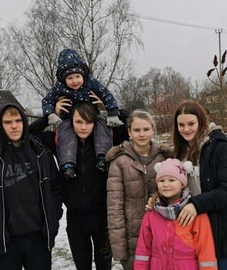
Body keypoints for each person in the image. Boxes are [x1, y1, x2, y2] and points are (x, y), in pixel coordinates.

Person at [0, 103, 62, 270]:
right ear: (0, 126)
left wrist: (53, 216)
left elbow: (56, 189)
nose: (14, 126)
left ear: (24, 122)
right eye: (8, 122)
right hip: (6, 240)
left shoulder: (42, 153)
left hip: (39, 237)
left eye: (18, 120)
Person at [171, 99, 227, 270]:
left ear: (201, 121)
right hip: (189, 230)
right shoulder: (179, 151)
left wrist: (196, 205)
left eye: (191, 123)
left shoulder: (219, 147)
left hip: (218, 229)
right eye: (181, 125)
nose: (186, 129)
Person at [42, 48, 123, 179]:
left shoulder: (91, 83)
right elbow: (47, 100)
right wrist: (51, 113)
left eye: (78, 77)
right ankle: (67, 165)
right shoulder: (59, 87)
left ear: (83, 75)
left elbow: (106, 94)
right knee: (65, 133)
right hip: (68, 118)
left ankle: (103, 158)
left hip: (93, 114)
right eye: (70, 78)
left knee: (102, 127)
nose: (75, 81)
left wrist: (111, 112)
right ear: (63, 79)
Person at [106, 109, 171, 270]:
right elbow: (114, 207)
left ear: (152, 130)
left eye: (146, 129)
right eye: (136, 130)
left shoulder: (164, 158)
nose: (141, 134)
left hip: (161, 236)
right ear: (129, 132)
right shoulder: (119, 162)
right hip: (132, 240)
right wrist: (120, 249)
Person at [134, 158, 217, 270]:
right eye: (161, 181)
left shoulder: (196, 214)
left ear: (182, 184)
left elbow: (206, 251)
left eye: (172, 180)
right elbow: (143, 250)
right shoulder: (151, 214)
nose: (166, 184)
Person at [62, 101, 112, 270]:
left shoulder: (105, 145)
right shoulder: (62, 146)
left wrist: (107, 109)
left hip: (102, 217)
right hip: (76, 219)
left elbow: (129, 122)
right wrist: (53, 113)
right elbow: (32, 132)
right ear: (70, 122)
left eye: (89, 122)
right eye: (78, 122)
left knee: (104, 266)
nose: (84, 127)